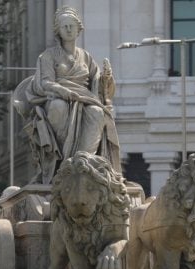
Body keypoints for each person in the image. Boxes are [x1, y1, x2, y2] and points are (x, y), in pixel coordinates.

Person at [13, 6, 121, 184]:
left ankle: (85, 162)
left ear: (79, 29)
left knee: (97, 112)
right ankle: (62, 163)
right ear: (58, 31)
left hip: (85, 98)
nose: (69, 30)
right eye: (65, 26)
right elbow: (45, 82)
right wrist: (63, 91)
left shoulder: (86, 57)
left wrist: (106, 79)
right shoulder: (48, 56)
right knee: (59, 107)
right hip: (57, 97)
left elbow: (97, 84)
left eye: (72, 26)